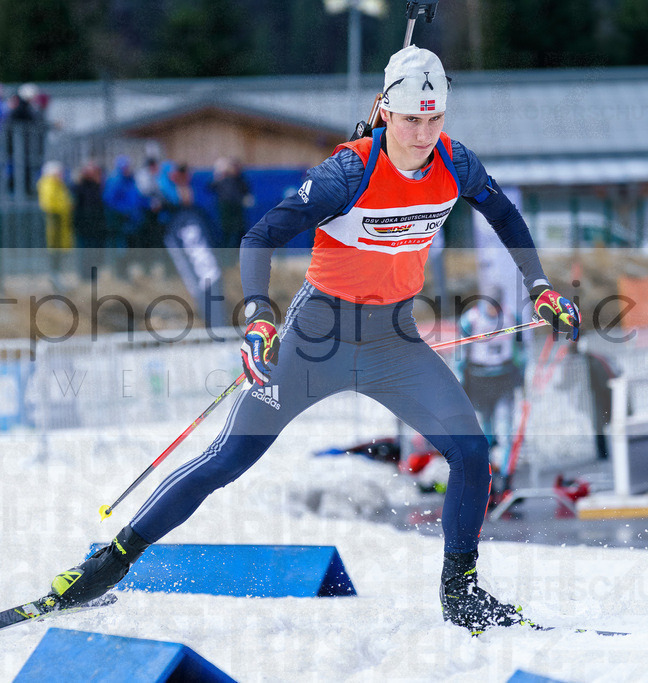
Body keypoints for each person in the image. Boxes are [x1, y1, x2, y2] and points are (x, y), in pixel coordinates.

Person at [42, 46, 581, 633]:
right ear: (385, 110)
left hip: (394, 341)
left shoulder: (458, 164)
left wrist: (540, 287)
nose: (423, 134)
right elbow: (259, 236)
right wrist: (257, 316)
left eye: (434, 119)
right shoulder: (347, 173)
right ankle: (107, 564)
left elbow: (505, 216)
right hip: (315, 340)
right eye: (410, 119)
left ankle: (461, 593)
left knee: (472, 452)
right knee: (228, 459)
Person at [457, 293, 526, 498]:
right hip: (478, 381)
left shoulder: (511, 317)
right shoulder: (471, 319)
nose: (493, 311)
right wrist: (460, 378)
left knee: (505, 430)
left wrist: (522, 374)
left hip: (503, 378)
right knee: (484, 432)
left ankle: (505, 478)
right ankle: (486, 477)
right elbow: (462, 350)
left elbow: (520, 349)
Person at [36, 161, 74, 289]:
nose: (61, 175)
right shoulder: (48, 184)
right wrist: (64, 207)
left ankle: (57, 277)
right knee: (54, 253)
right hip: (54, 224)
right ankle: (54, 278)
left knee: (59, 253)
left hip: (61, 224)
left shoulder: (58, 185)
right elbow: (49, 203)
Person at [208, 157, 254, 262]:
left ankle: (237, 259)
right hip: (226, 211)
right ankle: (225, 260)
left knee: (240, 234)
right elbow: (210, 187)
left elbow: (246, 193)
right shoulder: (223, 180)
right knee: (226, 235)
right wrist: (217, 174)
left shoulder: (240, 180)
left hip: (237, 211)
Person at [73, 160, 108, 281]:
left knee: (95, 251)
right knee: (86, 251)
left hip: (96, 226)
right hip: (85, 226)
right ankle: (85, 276)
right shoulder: (79, 187)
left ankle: (93, 275)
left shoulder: (99, 187)